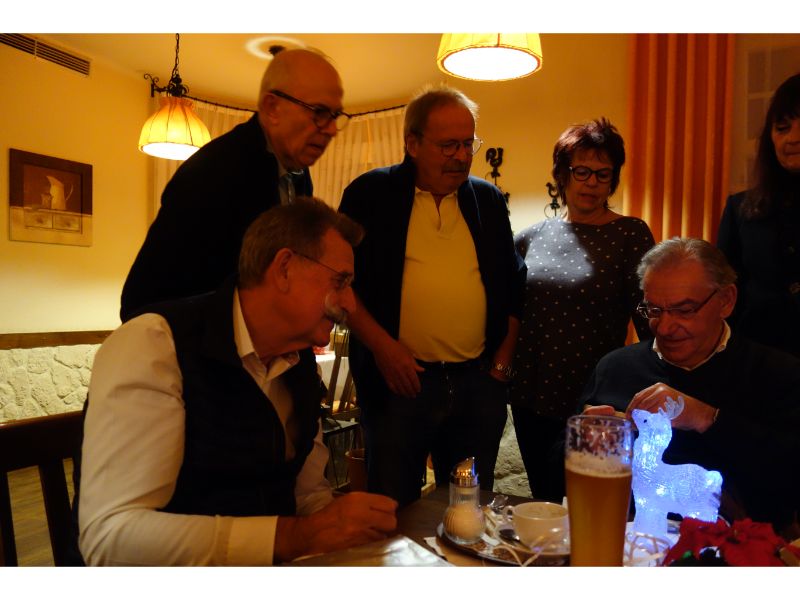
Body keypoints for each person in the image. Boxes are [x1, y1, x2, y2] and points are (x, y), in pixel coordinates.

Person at [76, 198, 397, 565]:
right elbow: (111, 539)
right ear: (285, 268)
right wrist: (296, 536)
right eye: (340, 281)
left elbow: (308, 496)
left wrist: (344, 534)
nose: (351, 304)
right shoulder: (155, 343)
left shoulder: (299, 365)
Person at [338, 84, 526, 507]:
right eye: (448, 145)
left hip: (478, 385)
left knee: (468, 511)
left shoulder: (487, 199)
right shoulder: (370, 194)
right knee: (393, 509)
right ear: (413, 144)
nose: (461, 156)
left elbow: (515, 282)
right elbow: (339, 282)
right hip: (399, 384)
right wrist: (384, 348)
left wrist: (502, 364)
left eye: (468, 144)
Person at [581, 237, 800, 536]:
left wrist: (708, 419)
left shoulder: (778, 373)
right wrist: (587, 445)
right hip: (628, 543)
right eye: (654, 310)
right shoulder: (615, 367)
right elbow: (557, 475)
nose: (665, 328)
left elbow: (789, 480)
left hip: (744, 548)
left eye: (684, 310)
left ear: (726, 301)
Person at [119, 48, 349, 321]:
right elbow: (142, 301)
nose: (331, 129)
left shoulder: (297, 173)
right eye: (319, 112)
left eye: (335, 115)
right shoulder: (213, 172)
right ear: (272, 108)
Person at [510, 118, 655, 502]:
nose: (592, 182)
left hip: (594, 396)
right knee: (544, 500)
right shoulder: (529, 237)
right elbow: (512, 313)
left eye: (603, 174)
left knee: (587, 501)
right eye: (582, 171)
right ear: (562, 174)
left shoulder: (630, 234)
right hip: (530, 394)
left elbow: (647, 318)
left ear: (613, 180)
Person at [717, 72, 800, 357]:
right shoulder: (740, 208)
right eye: (782, 128)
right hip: (757, 356)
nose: (793, 138)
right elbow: (724, 293)